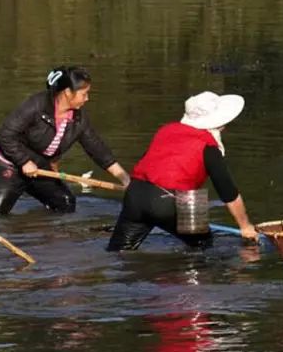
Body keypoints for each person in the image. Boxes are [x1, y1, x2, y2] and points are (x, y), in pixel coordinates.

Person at [106, 91, 258, 251]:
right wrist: (245, 226)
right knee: (203, 248)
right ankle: (188, 273)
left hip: (135, 193)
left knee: (119, 252)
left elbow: (148, 164)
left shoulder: (166, 130)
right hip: (170, 200)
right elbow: (228, 192)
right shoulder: (208, 146)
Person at [0, 66, 131, 216]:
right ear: (67, 93)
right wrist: (24, 161)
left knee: (65, 203)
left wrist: (124, 177)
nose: (87, 99)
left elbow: (97, 149)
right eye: (84, 94)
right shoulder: (35, 105)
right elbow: (6, 134)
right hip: (10, 165)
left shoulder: (79, 119)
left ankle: (43, 231)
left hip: (41, 169)